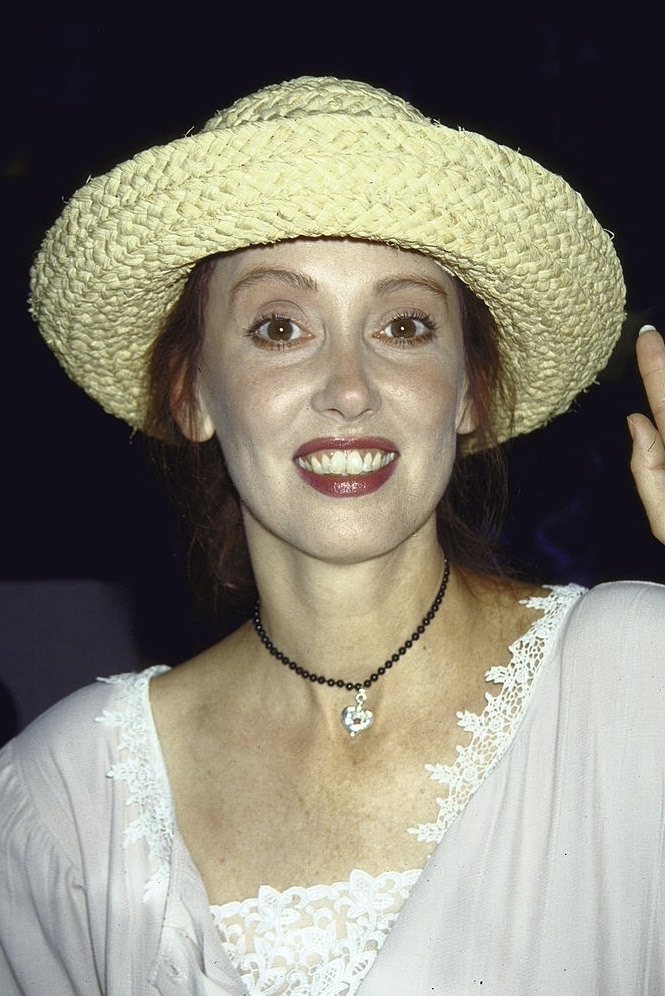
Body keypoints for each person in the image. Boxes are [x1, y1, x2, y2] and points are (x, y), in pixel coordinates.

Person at [1, 76, 664, 995]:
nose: (348, 388)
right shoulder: (61, 801)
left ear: (469, 390)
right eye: (279, 327)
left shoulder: (638, 678)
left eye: (402, 325)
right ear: (192, 392)